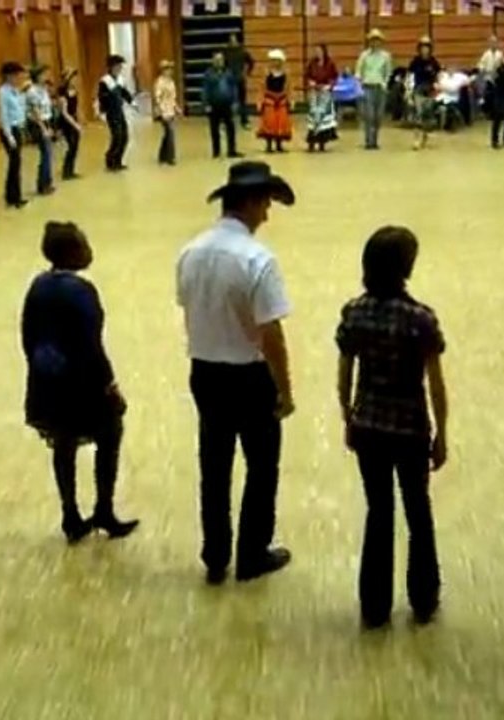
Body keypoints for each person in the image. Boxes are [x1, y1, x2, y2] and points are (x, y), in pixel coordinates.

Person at [176, 161, 296, 585]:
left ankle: (215, 554)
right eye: (265, 202)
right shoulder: (258, 259)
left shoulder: (189, 252)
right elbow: (271, 334)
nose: (267, 212)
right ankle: (252, 553)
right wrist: (285, 389)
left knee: (214, 463)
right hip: (249, 376)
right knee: (262, 467)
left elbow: (187, 309)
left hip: (204, 371)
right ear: (248, 202)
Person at [336, 226, 447, 630]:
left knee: (378, 511)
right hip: (410, 428)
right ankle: (423, 595)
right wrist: (442, 433)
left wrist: (347, 414)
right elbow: (434, 382)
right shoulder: (420, 319)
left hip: (369, 426)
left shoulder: (355, 311)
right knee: (418, 511)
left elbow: (345, 369)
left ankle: (374, 604)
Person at [21, 221, 139, 543]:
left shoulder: (38, 285)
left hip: (48, 382)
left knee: (63, 444)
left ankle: (70, 513)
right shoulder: (81, 291)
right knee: (110, 436)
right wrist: (109, 384)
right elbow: (92, 344)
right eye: (84, 244)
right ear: (72, 252)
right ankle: (104, 508)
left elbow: (27, 336)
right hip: (83, 384)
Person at [0, 61, 28, 209]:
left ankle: (14, 195)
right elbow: (4, 115)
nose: (19, 78)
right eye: (16, 75)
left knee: (17, 163)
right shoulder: (3, 92)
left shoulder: (17, 90)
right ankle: (13, 197)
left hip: (18, 127)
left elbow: (21, 109)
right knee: (14, 163)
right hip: (9, 129)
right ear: (8, 76)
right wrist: (9, 136)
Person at [355, 29, 393, 150]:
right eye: (372, 40)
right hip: (367, 87)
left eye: (377, 40)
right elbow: (358, 71)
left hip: (380, 88)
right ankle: (369, 141)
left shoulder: (386, 56)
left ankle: (375, 139)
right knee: (369, 115)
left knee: (378, 116)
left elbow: (388, 72)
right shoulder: (364, 56)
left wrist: (385, 83)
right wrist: (359, 85)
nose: (375, 43)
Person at [202, 52, 241, 159]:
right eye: (217, 59)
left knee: (231, 128)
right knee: (214, 129)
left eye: (221, 59)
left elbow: (234, 88)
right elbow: (205, 90)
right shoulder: (208, 74)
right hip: (214, 105)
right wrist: (206, 104)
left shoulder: (228, 73)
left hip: (227, 104)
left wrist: (235, 102)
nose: (219, 62)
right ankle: (216, 151)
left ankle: (231, 150)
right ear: (213, 61)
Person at [98, 55, 133, 172]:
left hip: (120, 112)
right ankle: (110, 161)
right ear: (111, 67)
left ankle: (118, 161)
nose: (119, 68)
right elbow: (102, 98)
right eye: (118, 66)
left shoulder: (120, 79)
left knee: (125, 136)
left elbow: (125, 93)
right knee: (117, 137)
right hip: (111, 113)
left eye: (120, 66)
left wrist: (132, 101)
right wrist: (102, 112)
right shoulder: (105, 81)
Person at [408, 37, 441, 151]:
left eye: (427, 47)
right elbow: (410, 75)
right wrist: (409, 90)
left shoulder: (433, 61)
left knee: (427, 115)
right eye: (422, 47)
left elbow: (438, 75)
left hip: (430, 90)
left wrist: (437, 87)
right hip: (418, 90)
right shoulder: (415, 61)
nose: (424, 50)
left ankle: (424, 138)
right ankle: (416, 139)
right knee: (418, 114)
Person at [27, 65, 56, 196]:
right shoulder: (32, 91)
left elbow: (47, 108)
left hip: (47, 121)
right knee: (45, 154)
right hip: (38, 124)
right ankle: (42, 184)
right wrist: (44, 128)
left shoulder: (43, 89)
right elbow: (35, 112)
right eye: (43, 74)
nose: (46, 77)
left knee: (49, 154)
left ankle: (48, 182)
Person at [305, 43, 339, 152]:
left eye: (319, 51)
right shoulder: (312, 63)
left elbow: (334, 77)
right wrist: (311, 82)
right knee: (313, 116)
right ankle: (311, 142)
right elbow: (307, 75)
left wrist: (329, 85)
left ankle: (322, 142)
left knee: (323, 117)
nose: (317, 53)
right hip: (314, 92)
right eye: (316, 51)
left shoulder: (330, 64)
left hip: (325, 92)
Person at [257, 49, 292, 153]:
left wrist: (289, 99)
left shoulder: (286, 73)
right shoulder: (266, 73)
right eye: (273, 60)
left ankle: (279, 145)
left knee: (281, 123)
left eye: (277, 60)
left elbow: (288, 87)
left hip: (281, 100)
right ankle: (269, 145)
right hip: (269, 100)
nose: (274, 62)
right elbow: (262, 87)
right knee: (269, 123)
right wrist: (260, 101)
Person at [55, 68, 83, 180]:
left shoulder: (74, 90)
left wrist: (80, 119)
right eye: (72, 77)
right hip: (66, 122)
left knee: (75, 146)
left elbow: (75, 107)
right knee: (71, 146)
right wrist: (75, 125)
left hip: (73, 119)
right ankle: (66, 171)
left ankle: (71, 170)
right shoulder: (62, 92)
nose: (74, 79)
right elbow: (64, 112)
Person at [154, 59, 181, 165]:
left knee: (167, 134)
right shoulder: (160, 82)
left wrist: (176, 108)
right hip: (164, 112)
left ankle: (162, 156)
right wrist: (161, 111)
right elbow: (157, 98)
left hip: (171, 111)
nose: (170, 71)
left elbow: (172, 98)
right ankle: (171, 157)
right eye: (167, 69)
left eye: (171, 69)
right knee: (170, 133)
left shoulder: (171, 82)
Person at [226, 33, 254, 129]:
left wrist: (248, 73)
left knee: (242, 101)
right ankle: (227, 121)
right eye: (231, 40)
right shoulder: (226, 52)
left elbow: (251, 62)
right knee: (228, 101)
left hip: (240, 79)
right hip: (229, 80)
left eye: (234, 40)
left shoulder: (242, 51)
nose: (232, 42)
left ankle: (244, 121)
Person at [477, 35, 503, 118]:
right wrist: (483, 70)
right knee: (489, 96)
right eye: (491, 42)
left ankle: (498, 112)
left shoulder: (500, 54)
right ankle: (489, 113)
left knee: (498, 96)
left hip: (498, 78)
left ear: (497, 43)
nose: (493, 44)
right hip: (488, 77)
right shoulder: (486, 54)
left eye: (495, 42)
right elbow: (480, 65)